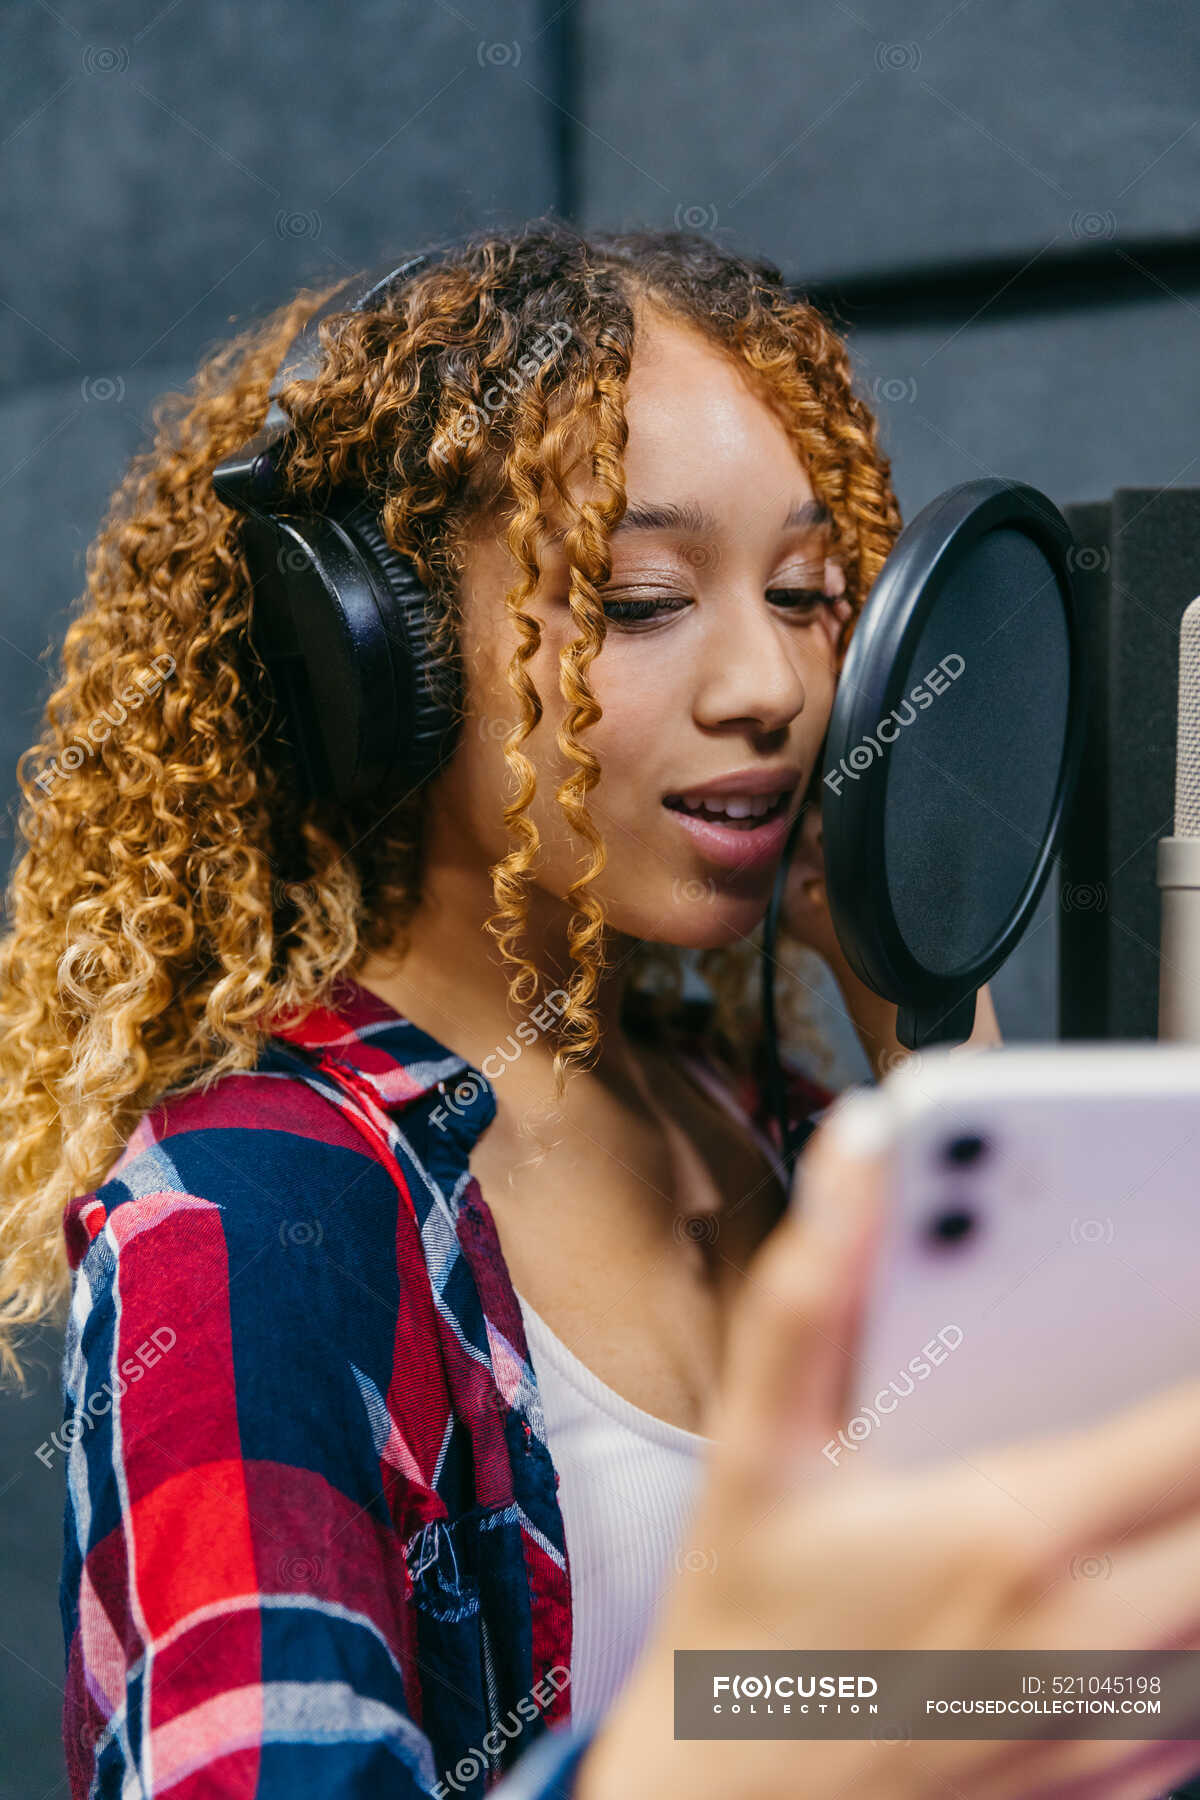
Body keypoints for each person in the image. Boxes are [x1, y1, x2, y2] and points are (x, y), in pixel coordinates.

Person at [1, 218, 1197, 1800]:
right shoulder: (246, 1215)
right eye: (641, 600)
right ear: (383, 656)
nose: (766, 684)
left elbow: (1077, 1684)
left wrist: (929, 1023)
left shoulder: (788, 1132)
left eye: (807, 590)